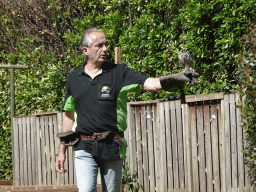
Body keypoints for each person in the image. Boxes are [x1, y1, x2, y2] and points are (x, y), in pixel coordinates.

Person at [55, 28, 198, 192]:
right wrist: (61, 152)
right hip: (83, 146)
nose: (105, 49)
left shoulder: (119, 72)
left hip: (112, 145)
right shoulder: (74, 78)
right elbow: (68, 115)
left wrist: (176, 78)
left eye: (106, 44)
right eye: (99, 45)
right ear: (86, 51)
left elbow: (150, 83)